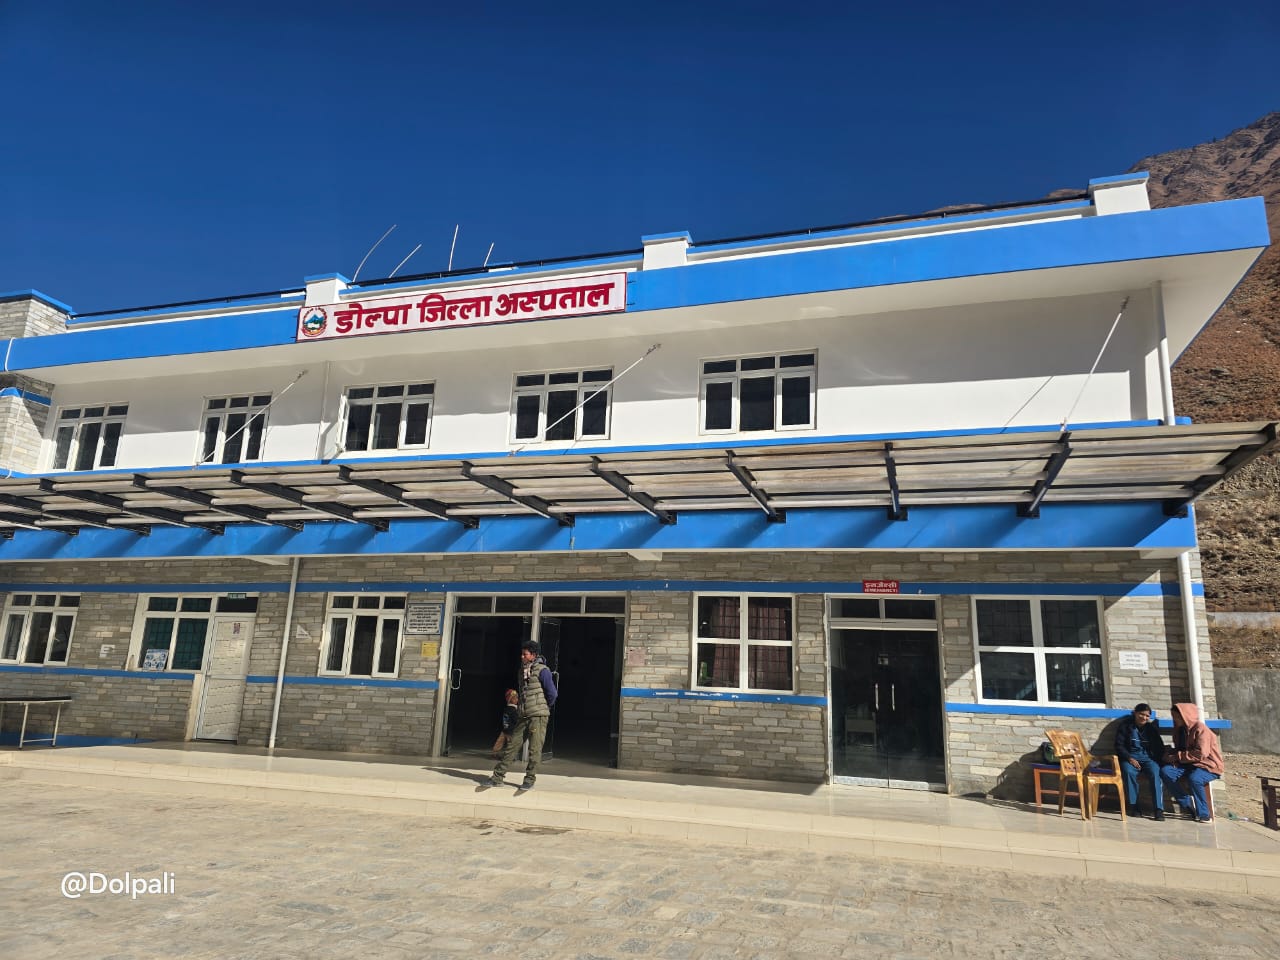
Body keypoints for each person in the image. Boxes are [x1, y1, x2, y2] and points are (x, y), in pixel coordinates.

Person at [483, 639, 557, 791]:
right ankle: (497, 777)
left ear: (533, 655)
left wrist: (543, 707)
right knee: (512, 746)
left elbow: (552, 693)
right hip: (523, 714)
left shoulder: (543, 670)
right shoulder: (521, 671)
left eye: (525, 654)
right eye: (522, 654)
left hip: (538, 716)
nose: (522, 657)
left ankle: (529, 780)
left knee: (534, 750)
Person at [1160, 702, 1224, 822]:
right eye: (1174, 717)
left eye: (1178, 717)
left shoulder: (1201, 729)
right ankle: (1187, 802)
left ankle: (1204, 814)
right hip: (1187, 764)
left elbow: (1200, 754)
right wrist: (1169, 755)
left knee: (1195, 779)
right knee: (1166, 772)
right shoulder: (1180, 731)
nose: (1175, 719)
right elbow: (1180, 749)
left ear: (1186, 715)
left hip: (1207, 765)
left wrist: (1177, 756)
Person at [1114, 703, 1165, 820]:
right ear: (1135, 713)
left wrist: (1156, 759)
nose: (1144, 718)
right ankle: (1135, 806)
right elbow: (1119, 745)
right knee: (1128, 772)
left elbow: (1159, 747)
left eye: (1147, 716)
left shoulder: (1151, 729)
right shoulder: (1126, 726)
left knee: (1155, 773)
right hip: (1130, 757)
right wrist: (1129, 758)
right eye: (1141, 714)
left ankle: (1158, 809)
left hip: (1147, 758)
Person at [490, 688, 520, 758]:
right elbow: (516, 720)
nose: (517, 700)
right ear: (510, 700)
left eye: (517, 698)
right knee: (511, 743)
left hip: (505, 729)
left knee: (500, 742)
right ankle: (510, 755)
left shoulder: (506, 709)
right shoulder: (513, 710)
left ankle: (495, 753)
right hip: (511, 730)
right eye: (515, 698)